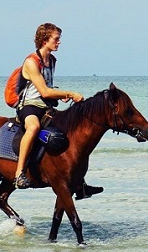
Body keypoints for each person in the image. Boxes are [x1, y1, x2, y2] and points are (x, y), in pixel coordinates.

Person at [14, 23, 104, 199]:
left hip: (46, 106)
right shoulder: (31, 62)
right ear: (45, 39)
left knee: (71, 134)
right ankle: (19, 174)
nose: (59, 42)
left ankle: (80, 184)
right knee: (33, 128)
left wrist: (59, 95)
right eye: (56, 39)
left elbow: (48, 89)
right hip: (29, 106)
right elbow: (43, 91)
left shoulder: (52, 60)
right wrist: (69, 93)